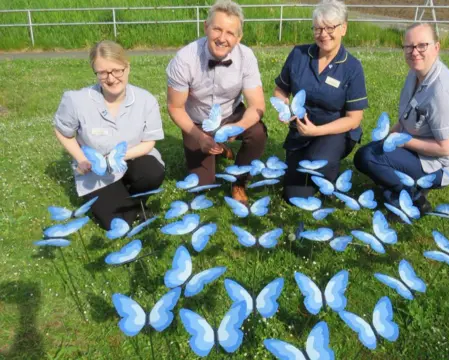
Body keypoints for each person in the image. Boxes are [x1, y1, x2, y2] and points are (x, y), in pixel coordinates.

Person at [354, 23, 449, 213]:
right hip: (419, 148)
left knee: (369, 158)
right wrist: (389, 138)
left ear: (436, 47)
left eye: (422, 45)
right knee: (367, 153)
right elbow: (408, 115)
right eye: (409, 46)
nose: (414, 52)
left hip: (440, 165)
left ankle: (413, 200)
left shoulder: (442, 91)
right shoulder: (416, 73)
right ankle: (398, 185)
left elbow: (447, 148)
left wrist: (402, 141)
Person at [53, 40, 165, 229]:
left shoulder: (146, 100)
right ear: (95, 72)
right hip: (97, 171)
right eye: (103, 73)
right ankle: (123, 203)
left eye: (116, 70)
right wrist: (82, 160)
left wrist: (120, 156)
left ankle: (127, 194)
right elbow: (62, 131)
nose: (111, 79)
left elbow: (149, 142)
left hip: (132, 159)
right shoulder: (77, 100)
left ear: (127, 67)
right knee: (119, 224)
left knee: (152, 172)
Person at [166, 0, 267, 204]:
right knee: (203, 186)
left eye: (230, 33)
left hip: (231, 112)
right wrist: (199, 136)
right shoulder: (184, 59)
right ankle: (216, 145)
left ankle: (239, 182)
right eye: (217, 29)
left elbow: (257, 105)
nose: (222, 38)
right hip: (197, 119)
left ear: (239, 37)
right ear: (206, 27)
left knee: (258, 133)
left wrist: (237, 127)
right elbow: (174, 107)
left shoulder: (246, 56)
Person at [273, 0, 368, 201]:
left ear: (343, 28)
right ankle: (310, 162)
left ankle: (329, 171)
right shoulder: (298, 54)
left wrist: (317, 131)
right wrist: (283, 107)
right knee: (294, 196)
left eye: (330, 28)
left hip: (334, 132)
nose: (323, 34)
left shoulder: (352, 68)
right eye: (318, 28)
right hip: (300, 132)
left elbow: (354, 119)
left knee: (317, 162)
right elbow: (280, 89)